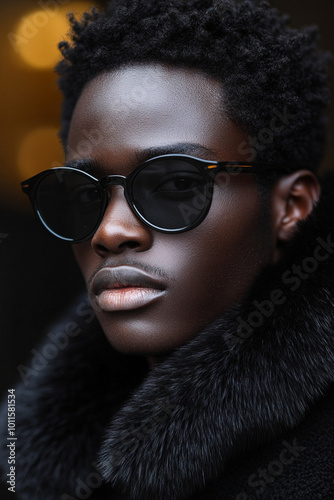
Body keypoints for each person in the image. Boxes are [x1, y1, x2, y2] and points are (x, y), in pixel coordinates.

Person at [1, 0, 334, 498]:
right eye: (85, 193)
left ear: (291, 206)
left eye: (177, 185)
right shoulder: (18, 454)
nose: (109, 231)